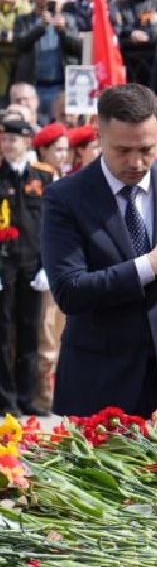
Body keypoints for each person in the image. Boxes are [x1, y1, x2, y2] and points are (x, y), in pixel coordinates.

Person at [42, 83, 157, 418]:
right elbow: (70, 291)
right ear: (99, 135)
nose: (136, 162)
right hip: (100, 383)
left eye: (146, 149)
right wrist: (151, 264)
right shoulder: (65, 198)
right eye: (122, 150)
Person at [0, 118, 53, 413]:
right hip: (4, 264)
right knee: (4, 333)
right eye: (5, 139)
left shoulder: (42, 178)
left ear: (27, 142)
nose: (8, 145)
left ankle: (28, 398)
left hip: (32, 263)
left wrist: (47, 265)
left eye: (14, 140)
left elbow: (50, 225)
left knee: (31, 332)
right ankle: (6, 400)